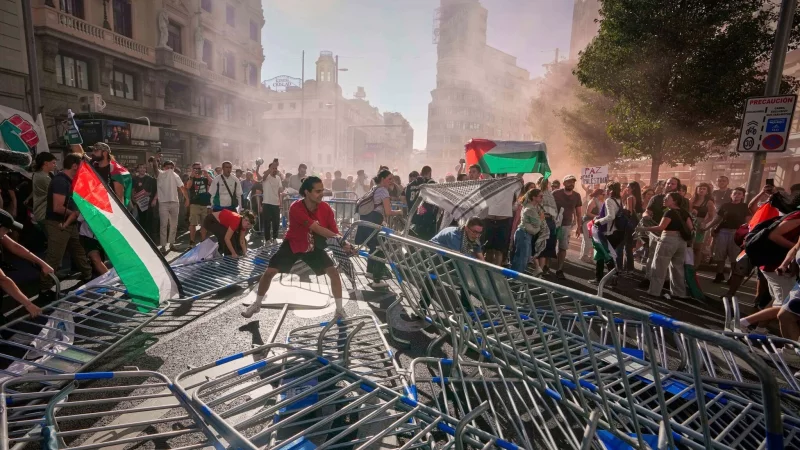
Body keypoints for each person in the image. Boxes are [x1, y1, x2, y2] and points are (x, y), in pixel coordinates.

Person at [243, 176, 350, 318]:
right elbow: (317, 229)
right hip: (293, 244)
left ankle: (339, 309)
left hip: (313, 247)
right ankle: (257, 304)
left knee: (334, 274)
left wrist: (346, 243)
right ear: (306, 192)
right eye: (318, 191)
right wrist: (341, 241)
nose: (321, 194)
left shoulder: (326, 208)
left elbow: (335, 231)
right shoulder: (296, 207)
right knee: (269, 272)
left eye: (322, 190)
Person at [38, 154, 93, 301]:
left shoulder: (69, 180)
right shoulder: (60, 181)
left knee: (78, 251)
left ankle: (89, 275)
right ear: (75, 166)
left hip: (68, 223)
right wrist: (75, 214)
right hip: (58, 224)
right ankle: (44, 289)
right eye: (81, 165)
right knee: (54, 257)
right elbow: (57, 207)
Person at [638, 192, 694, 299]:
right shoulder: (684, 212)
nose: (664, 199)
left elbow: (661, 227)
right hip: (682, 242)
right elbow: (691, 228)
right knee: (677, 268)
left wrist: (644, 229)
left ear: (674, 201)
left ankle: (654, 291)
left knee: (659, 267)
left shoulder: (669, 213)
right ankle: (679, 292)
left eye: (667, 198)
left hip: (668, 240)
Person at [355, 170, 403, 289]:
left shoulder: (374, 188)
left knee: (374, 247)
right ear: (382, 179)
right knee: (381, 247)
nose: (391, 181)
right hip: (374, 221)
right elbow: (388, 211)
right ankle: (377, 279)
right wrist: (400, 212)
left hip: (367, 221)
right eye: (389, 179)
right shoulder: (383, 191)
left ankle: (370, 272)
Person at [0, 209, 50, 318]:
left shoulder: (1, 234)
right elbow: (3, 280)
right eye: (6, 228)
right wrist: (28, 304)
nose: (9, 231)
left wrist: (42, 263)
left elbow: (15, 246)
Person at [707, 187, 750, 283]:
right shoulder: (725, 205)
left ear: (742, 196)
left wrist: (747, 233)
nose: (736, 195)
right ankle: (719, 274)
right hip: (723, 232)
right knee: (720, 254)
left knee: (734, 256)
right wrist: (707, 227)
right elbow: (717, 219)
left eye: (739, 194)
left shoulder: (744, 207)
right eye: (735, 193)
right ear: (731, 195)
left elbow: (748, 221)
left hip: (736, 233)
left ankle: (732, 276)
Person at [151, 157, 188, 253]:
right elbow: (155, 169)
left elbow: (182, 187)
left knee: (174, 224)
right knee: (163, 224)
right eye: (168, 167)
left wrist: (187, 198)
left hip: (175, 202)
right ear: (163, 168)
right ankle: (163, 245)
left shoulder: (175, 175)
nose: (170, 169)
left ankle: (171, 243)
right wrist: (155, 160)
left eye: (172, 167)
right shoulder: (160, 174)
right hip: (163, 203)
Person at [590, 182, 624, 284]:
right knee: (604, 254)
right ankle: (605, 277)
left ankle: (606, 276)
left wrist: (598, 221)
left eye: (607, 189)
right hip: (617, 232)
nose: (605, 191)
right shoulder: (619, 200)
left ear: (610, 190)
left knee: (603, 255)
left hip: (608, 232)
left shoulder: (609, 200)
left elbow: (611, 216)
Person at [552, 175, 583, 280]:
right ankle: (546, 266)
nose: (571, 184)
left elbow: (579, 213)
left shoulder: (577, 196)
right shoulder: (555, 193)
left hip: (566, 225)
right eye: (569, 182)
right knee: (550, 245)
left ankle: (559, 269)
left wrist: (579, 227)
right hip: (553, 224)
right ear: (564, 183)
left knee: (563, 247)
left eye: (573, 182)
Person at [511, 188, 547, 275]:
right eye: (540, 196)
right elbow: (538, 223)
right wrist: (541, 218)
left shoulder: (531, 207)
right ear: (534, 197)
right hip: (524, 234)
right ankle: (516, 278)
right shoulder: (530, 208)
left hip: (525, 234)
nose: (542, 198)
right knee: (522, 258)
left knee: (523, 257)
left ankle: (515, 276)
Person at [616, 182, 643, 272]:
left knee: (626, 247)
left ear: (633, 188)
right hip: (634, 224)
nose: (626, 189)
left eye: (628, 187)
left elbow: (629, 212)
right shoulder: (637, 198)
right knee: (629, 247)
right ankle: (629, 268)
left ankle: (628, 268)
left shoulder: (630, 198)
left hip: (628, 224)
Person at [185, 162, 212, 246]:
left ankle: (203, 241)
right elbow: (188, 186)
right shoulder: (191, 178)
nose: (197, 170)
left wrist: (207, 175)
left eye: (199, 168)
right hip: (194, 204)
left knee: (204, 224)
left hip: (204, 204)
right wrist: (192, 176)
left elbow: (212, 183)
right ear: (192, 169)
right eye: (195, 168)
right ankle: (192, 242)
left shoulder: (204, 179)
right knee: (193, 223)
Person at [407, 166, 438, 240]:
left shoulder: (409, 185)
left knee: (413, 241)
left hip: (412, 217)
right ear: (430, 173)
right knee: (426, 243)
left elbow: (405, 199)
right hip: (427, 218)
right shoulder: (430, 183)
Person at [690, 182, 716, 261]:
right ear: (696, 190)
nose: (701, 190)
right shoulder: (691, 200)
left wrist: (704, 223)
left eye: (704, 189)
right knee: (689, 245)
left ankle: (695, 267)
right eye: (700, 188)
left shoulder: (709, 202)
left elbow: (711, 217)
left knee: (697, 247)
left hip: (700, 223)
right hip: (690, 222)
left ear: (707, 191)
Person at [538, 177, 558, 275]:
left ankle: (540, 269)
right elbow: (555, 211)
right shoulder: (550, 195)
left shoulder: (538, 193)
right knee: (549, 245)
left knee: (541, 245)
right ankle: (546, 267)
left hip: (542, 221)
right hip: (551, 222)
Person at [30, 152, 56, 227]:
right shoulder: (43, 177)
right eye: (53, 163)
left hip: (41, 212)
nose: (55, 165)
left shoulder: (42, 174)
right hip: (44, 213)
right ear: (46, 163)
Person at [261, 161, 283, 244]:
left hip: (275, 203)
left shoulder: (278, 178)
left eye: (275, 168)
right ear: (269, 169)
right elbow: (263, 178)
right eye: (272, 168)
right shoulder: (266, 177)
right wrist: (269, 170)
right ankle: (267, 240)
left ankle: (275, 238)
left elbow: (280, 190)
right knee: (267, 222)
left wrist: (280, 201)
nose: (274, 170)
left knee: (276, 222)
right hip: (266, 202)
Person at [581, 188, 604, 263]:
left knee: (591, 240)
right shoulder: (593, 201)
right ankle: (585, 256)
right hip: (588, 222)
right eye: (602, 194)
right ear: (598, 194)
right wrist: (597, 216)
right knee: (588, 240)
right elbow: (587, 213)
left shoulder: (598, 201)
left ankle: (588, 256)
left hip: (592, 222)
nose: (604, 196)